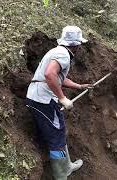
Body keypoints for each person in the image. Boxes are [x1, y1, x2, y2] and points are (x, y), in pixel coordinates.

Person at [26, 26, 92, 179]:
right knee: (57, 135)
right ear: (76, 45)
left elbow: (58, 77)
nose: (79, 47)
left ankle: (66, 165)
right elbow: (50, 75)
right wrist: (62, 98)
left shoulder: (57, 51)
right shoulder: (63, 54)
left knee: (58, 131)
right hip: (43, 100)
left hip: (37, 97)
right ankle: (61, 174)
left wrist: (79, 86)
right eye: (79, 44)